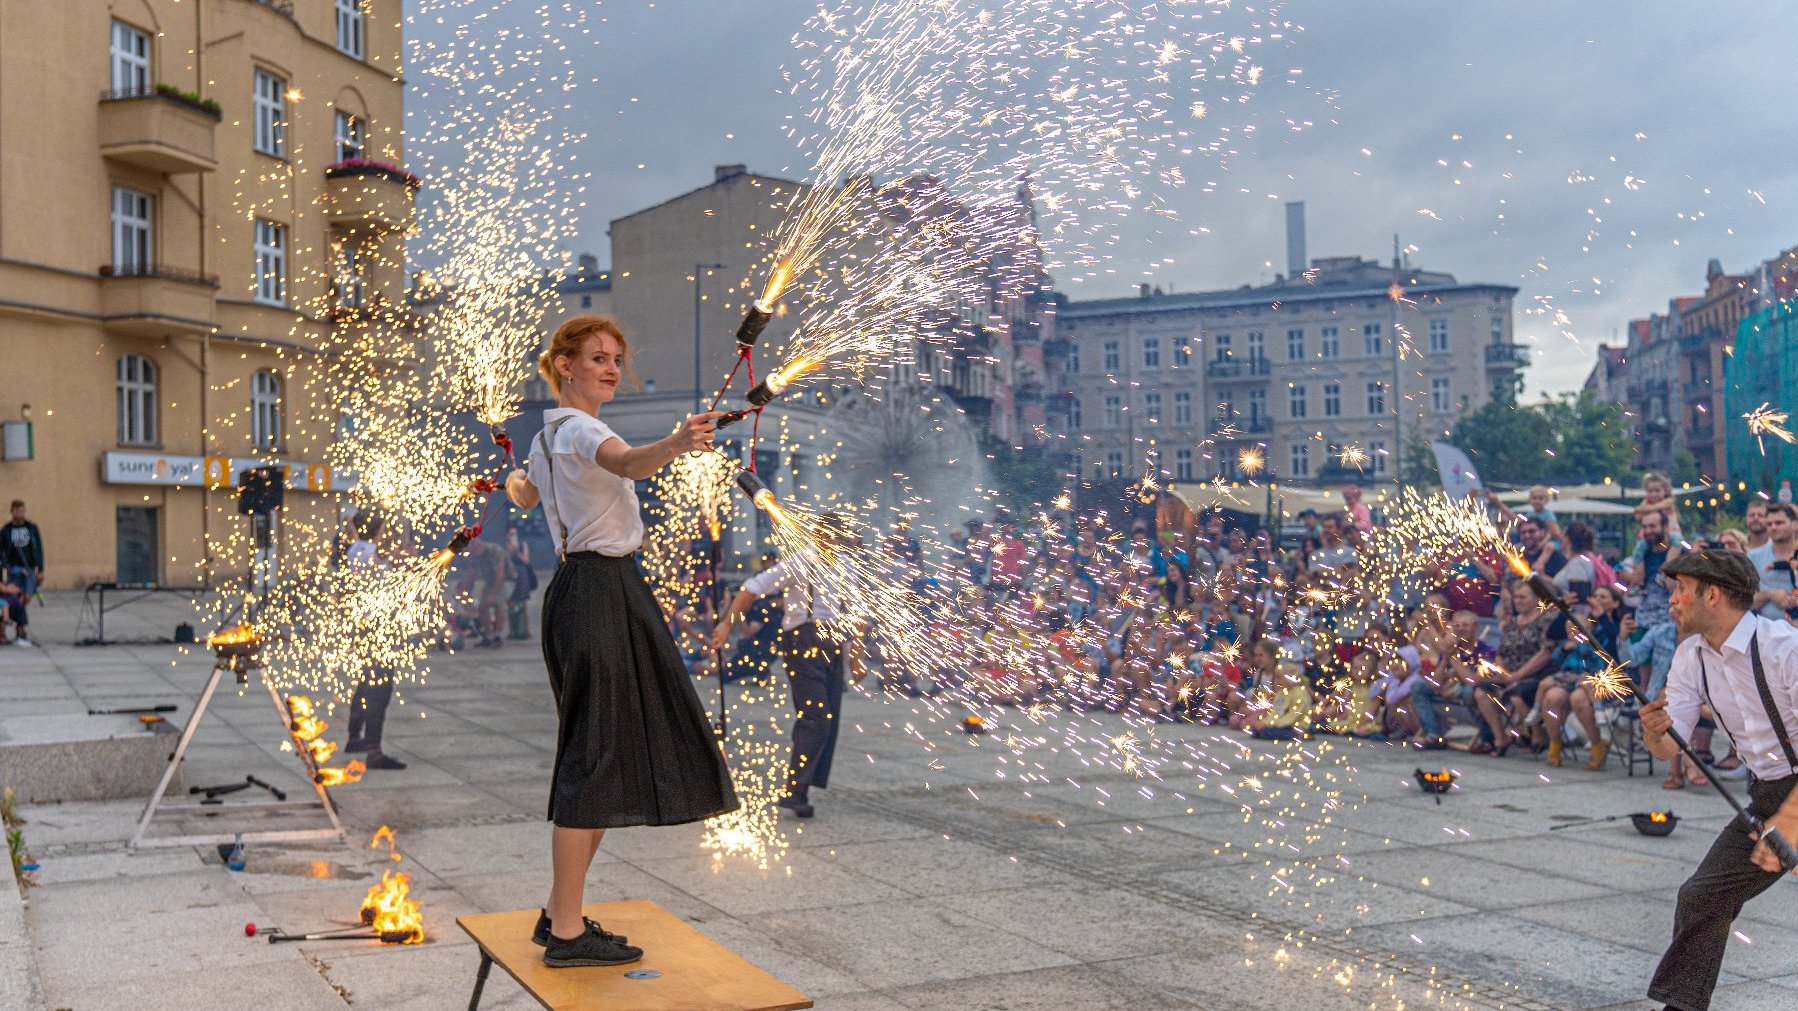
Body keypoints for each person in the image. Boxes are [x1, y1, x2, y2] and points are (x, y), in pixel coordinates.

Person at [503, 315, 738, 968]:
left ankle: (558, 912)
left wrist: (511, 483)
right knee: (594, 756)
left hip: (590, 589)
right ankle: (569, 933)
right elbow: (628, 461)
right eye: (597, 357)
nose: (611, 367)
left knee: (600, 752)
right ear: (565, 366)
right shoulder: (582, 430)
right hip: (597, 592)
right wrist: (675, 442)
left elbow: (525, 494)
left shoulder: (545, 438)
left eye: (617, 358)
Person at [1640, 549, 1798, 1011]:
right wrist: (1656, 733)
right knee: (1703, 896)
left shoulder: (1783, 649)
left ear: (1711, 594)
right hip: (1768, 792)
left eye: (1680, 589)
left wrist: (1789, 820)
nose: (1672, 600)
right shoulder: (1691, 656)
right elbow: (1673, 747)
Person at [711, 517, 867, 819]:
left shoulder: (847, 565)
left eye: (838, 538)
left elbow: (857, 612)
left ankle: (801, 786)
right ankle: (795, 790)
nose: (834, 542)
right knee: (815, 715)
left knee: (827, 717)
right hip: (803, 642)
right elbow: (751, 588)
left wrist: (855, 656)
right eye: (829, 537)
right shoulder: (801, 561)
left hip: (834, 644)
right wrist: (726, 626)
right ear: (819, 535)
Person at [342, 511, 406, 770]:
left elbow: (355, 535)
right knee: (380, 689)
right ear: (378, 529)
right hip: (378, 626)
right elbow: (388, 551)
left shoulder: (355, 550)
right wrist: (400, 530)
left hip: (362, 624)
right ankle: (374, 751)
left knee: (366, 682)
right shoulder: (372, 553)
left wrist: (352, 524)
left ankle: (354, 738)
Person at [1, 499, 43, 605]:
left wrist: (41, 569)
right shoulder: (6, 529)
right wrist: (5, 564)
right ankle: (19, 617)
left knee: (28, 596)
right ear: (11, 511)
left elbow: (39, 548)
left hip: (29, 566)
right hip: (14, 567)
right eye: (17, 511)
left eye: (21, 511)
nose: (19, 513)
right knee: (15, 594)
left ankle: (20, 612)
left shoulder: (31, 528)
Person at [505, 526, 538, 640]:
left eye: (515, 534)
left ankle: (527, 631)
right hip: (510, 575)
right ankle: (513, 630)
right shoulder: (505, 546)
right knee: (510, 602)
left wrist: (517, 551)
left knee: (523, 604)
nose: (513, 536)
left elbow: (526, 560)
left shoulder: (522, 545)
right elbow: (505, 560)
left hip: (522, 575)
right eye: (511, 534)